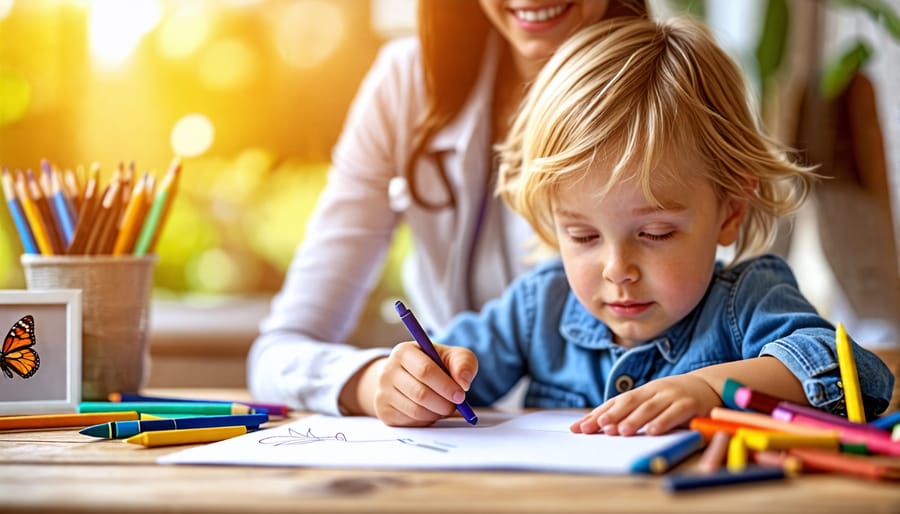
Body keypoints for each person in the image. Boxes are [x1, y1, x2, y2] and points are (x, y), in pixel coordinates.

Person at [339, 16, 896, 434]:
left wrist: (709, 389)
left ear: (729, 211)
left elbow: (860, 376)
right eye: (581, 236)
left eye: (654, 234)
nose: (617, 270)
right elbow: (449, 370)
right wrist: (411, 383)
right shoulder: (540, 306)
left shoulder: (747, 302)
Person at [248, 0, 649, 412]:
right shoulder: (407, 82)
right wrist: (376, 383)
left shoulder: (669, 95)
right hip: (453, 441)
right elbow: (277, 354)